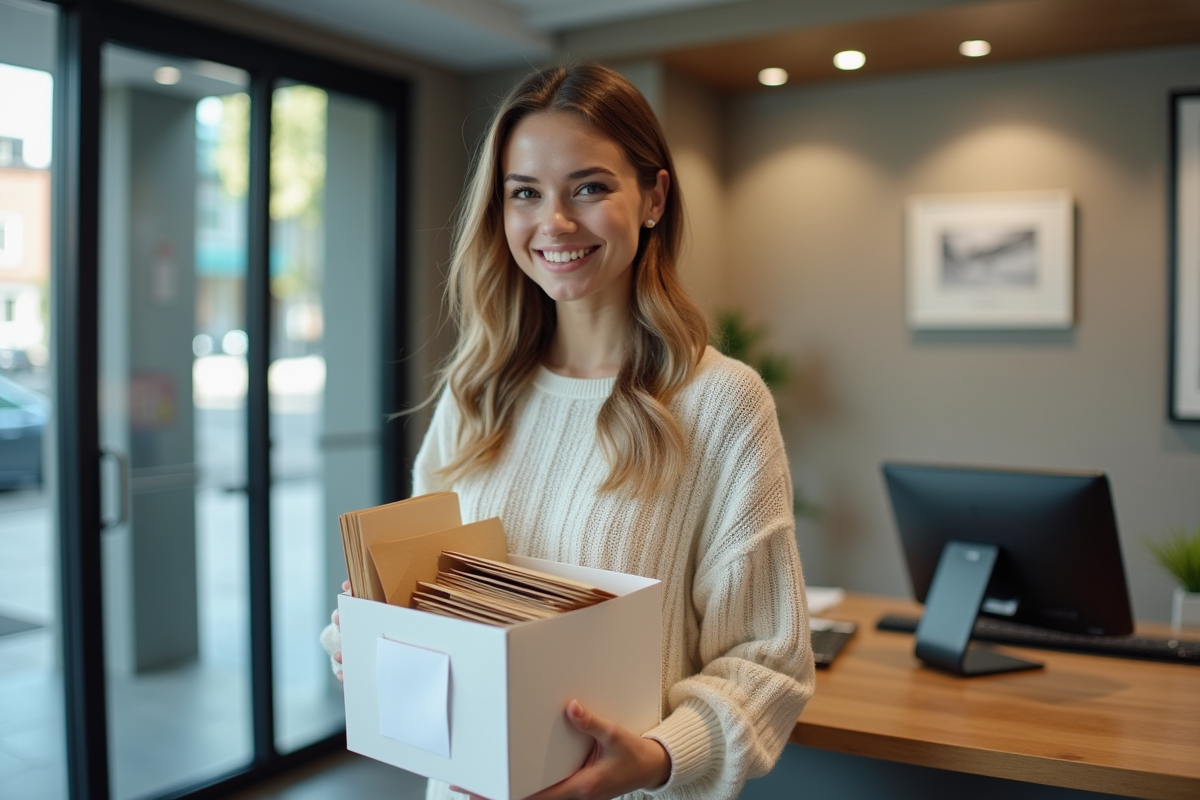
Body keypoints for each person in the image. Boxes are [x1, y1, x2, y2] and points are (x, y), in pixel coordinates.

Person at [323, 62, 814, 800]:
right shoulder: (476, 392)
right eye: (525, 192)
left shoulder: (722, 403)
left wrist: (654, 757)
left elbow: (767, 661)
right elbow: (421, 598)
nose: (554, 222)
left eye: (589, 188)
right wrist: (363, 630)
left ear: (653, 198)